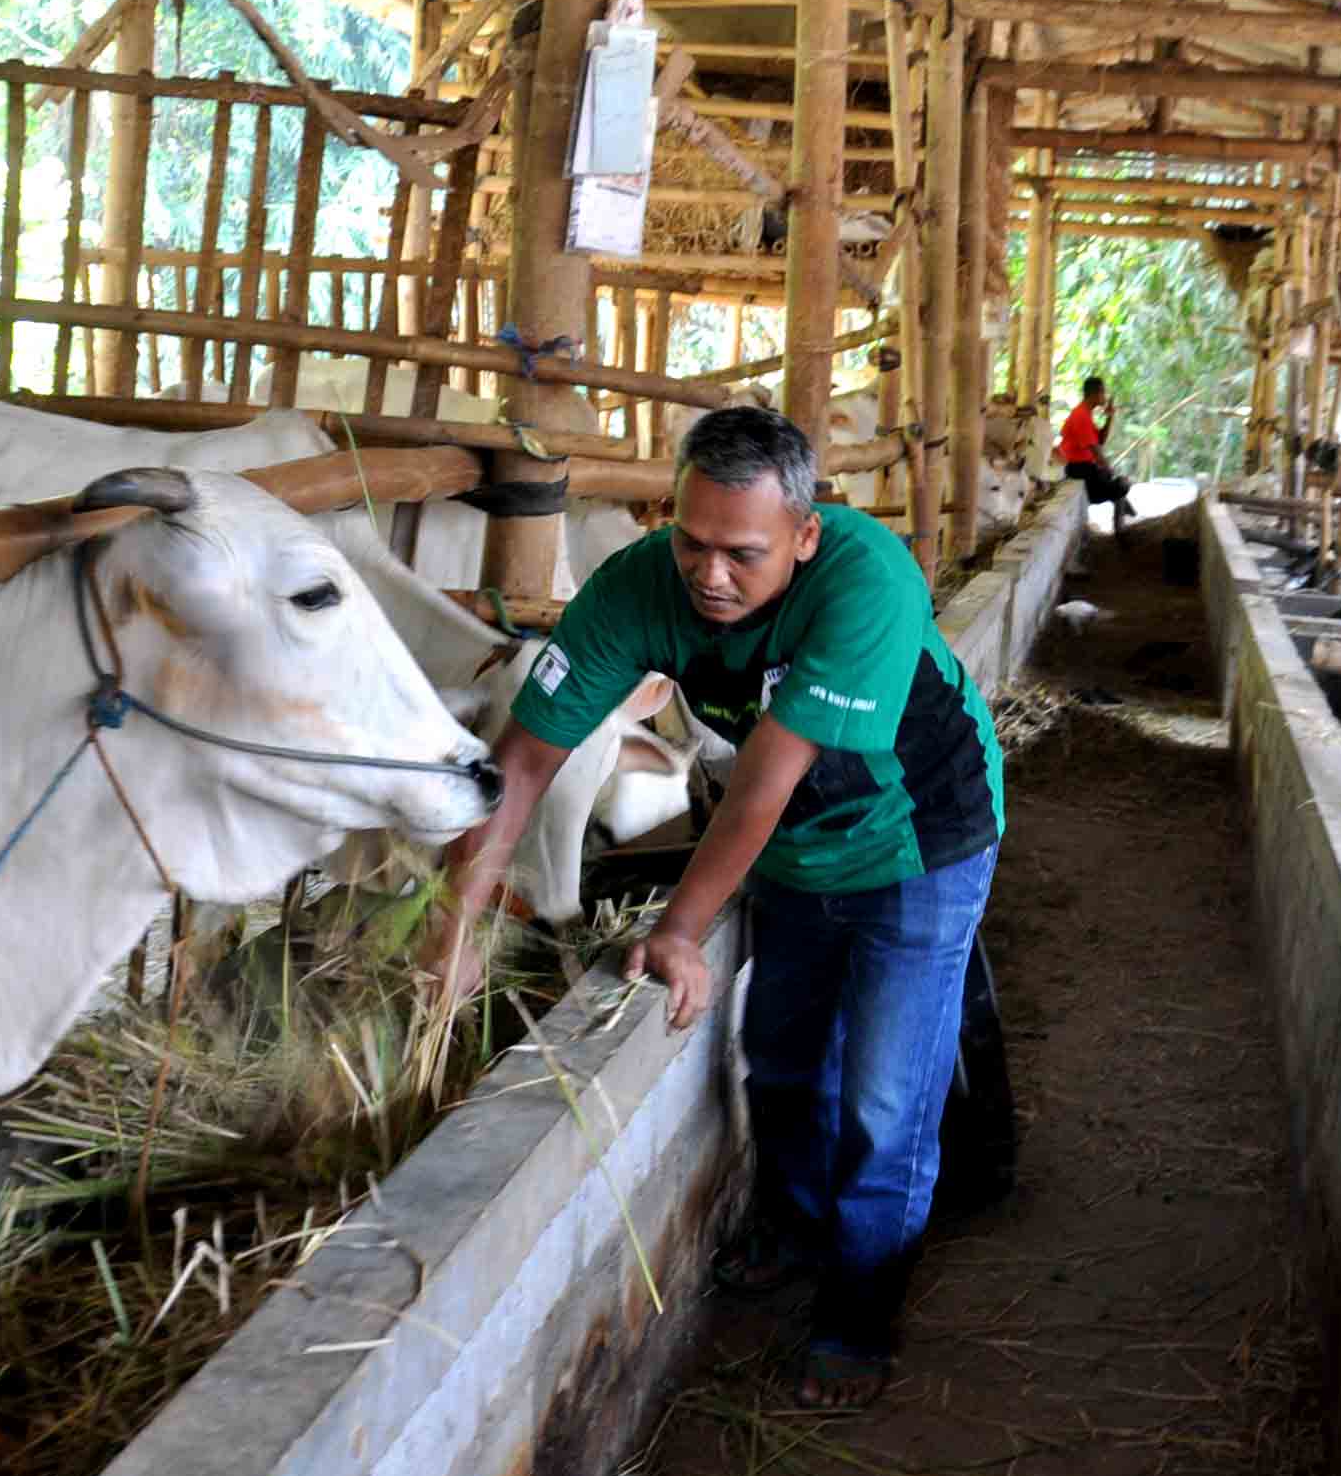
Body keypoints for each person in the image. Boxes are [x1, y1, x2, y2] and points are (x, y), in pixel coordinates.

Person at [428, 407, 1003, 1412]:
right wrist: (457, 921)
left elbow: (765, 781)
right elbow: (523, 760)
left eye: (743, 553)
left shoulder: (867, 580)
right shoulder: (638, 588)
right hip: (794, 848)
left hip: (920, 839)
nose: (711, 575)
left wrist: (681, 928)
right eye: (692, 542)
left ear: (805, 533)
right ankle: (790, 1224)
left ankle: (862, 1308)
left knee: (883, 1093)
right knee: (781, 1055)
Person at [1056, 374, 1136, 528]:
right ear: (1095, 394)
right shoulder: (1081, 416)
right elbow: (1096, 451)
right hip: (1078, 471)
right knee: (1123, 484)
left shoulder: (1085, 413)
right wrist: (1109, 469)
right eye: (1103, 392)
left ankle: (1121, 509)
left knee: (1111, 478)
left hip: (1086, 468)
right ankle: (1120, 524)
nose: (1105, 396)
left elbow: (1100, 440)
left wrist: (1109, 417)